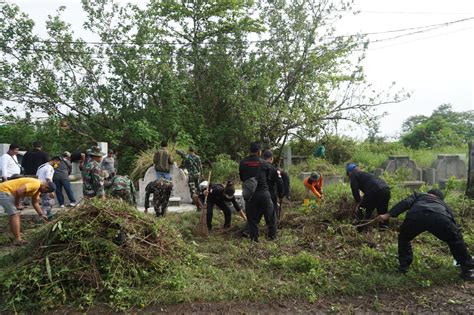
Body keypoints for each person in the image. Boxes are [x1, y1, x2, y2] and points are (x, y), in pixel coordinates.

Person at [376, 189, 474, 280]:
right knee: (455, 240)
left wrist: (387, 215)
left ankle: (404, 267)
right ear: (439, 197)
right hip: (439, 217)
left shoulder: (419, 195)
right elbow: (452, 220)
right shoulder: (442, 203)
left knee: (404, 238)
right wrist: (455, 234)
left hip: (415, 216)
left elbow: (405, 203)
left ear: (429, 193)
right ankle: (468, 270)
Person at [239, 142, 276, 242]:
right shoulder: (264, 163)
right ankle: (272, 239)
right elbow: (270, 177)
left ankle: (254, 241)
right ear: (259, 152)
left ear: (249, 151)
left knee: (252, 220)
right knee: (271, 218)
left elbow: (242, 178)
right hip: (264, 194)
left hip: (250, 195)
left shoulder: (243, 162)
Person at [0, 178, 54, 245]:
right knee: (15, 214)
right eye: (45, 191)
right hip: (4, 190)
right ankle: (18, 239)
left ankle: (15, 236)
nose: (43, 192)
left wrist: (41, 214)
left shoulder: (37, 190)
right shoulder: (36, 184)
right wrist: (17, 204)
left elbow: (35, 203)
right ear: (46, 187)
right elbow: (18, 191)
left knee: (15, 214)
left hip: (7, 191)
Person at [346, 163, 391, 229]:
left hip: (374, 191)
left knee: (362, 211)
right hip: (386, 190)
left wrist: (358, 201)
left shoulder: (354, 175)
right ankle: (384, 229)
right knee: (383, 212)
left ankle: (359, 229)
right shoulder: (367, 174)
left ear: (350, 172)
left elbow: (354, 189)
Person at [177, 146, 203, 211]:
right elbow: (200, 167)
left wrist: (179, 167)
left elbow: (183, 165)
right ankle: (200, 200)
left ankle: (195, 202)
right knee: (198, 188)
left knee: (192, 189)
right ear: (194, 150)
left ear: (189, 150)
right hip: (197, 174)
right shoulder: (198, 157)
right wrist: (201, 174)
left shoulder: (187, 157)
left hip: (191, 175)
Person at [262, 150, 284, 221]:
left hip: (257, 193)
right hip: (270, 194)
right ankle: (274, 226)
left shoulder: (258, 168)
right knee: (273, 213)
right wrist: (281, 195)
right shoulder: (274, 170)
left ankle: (249, 230)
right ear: (271, 158)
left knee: (256, 214)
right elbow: (280, 183)